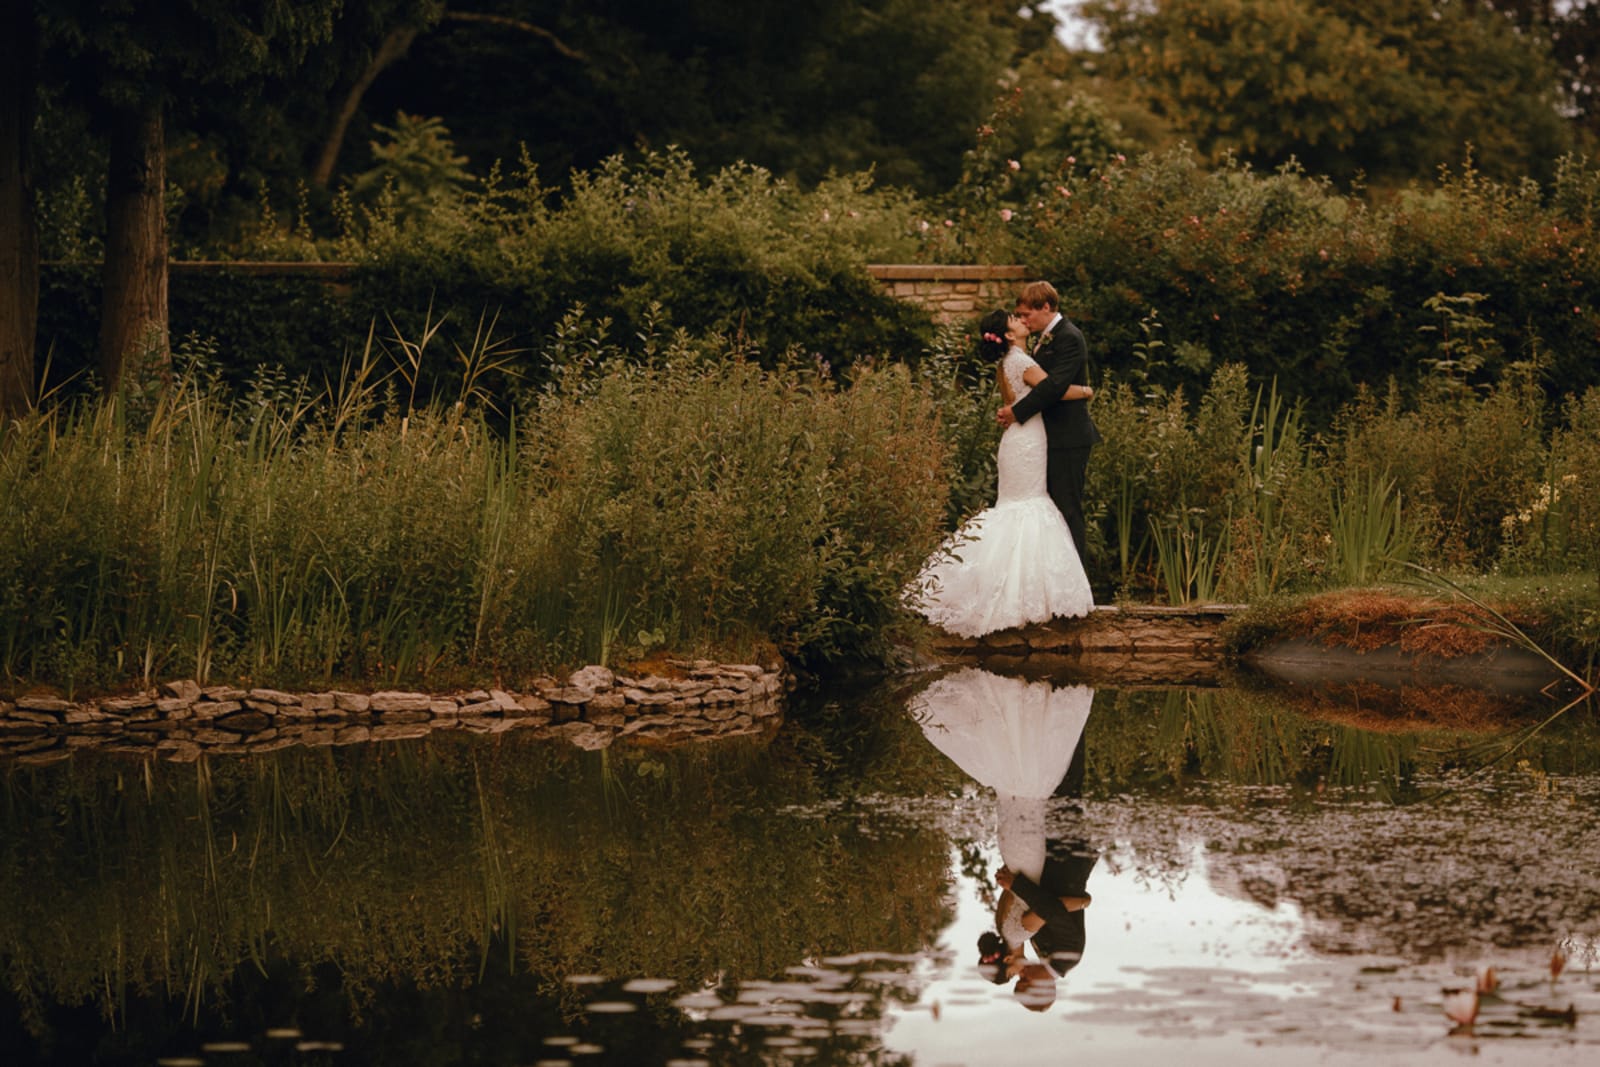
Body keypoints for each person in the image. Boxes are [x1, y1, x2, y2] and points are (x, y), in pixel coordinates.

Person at [911, 308, 1094, 638]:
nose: (1022, 319)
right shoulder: (1021, 362)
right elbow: (1053, 390)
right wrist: (1085, 391)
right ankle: (1022, 598)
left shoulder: (1005, 364)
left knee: (1011, 511)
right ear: (1009, 335)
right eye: (1015, 318)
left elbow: (1014, 402)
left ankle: (1000, 591)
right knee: (1027, 509)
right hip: (1029, 441)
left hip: (1016, 440)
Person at [998, 281, 1103, 562]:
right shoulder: (1044, 339)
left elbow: (1054, 386)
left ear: (1045, 307)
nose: (1022, 320)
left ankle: (1076, 584)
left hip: (1069, 437)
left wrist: (1016, 412)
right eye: (1018, 316)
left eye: (1026, 314)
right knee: (1052, 512)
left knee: (1068, 510)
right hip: (1048, 438)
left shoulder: (1069, 336)